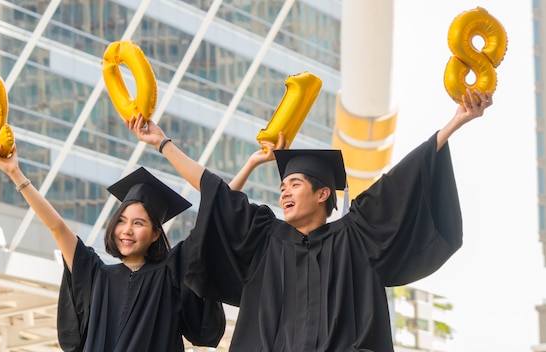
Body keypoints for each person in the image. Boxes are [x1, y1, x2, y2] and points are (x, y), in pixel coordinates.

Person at [126, 88, 494, 351]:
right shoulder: (263, 239)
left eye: (295, 184)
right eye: (282, 186)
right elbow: (214, 190)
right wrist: (162, 143)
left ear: (323, 194)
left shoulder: (358, 237)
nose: (284, 192)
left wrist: (456, 122)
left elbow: (404, 179)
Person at [0, 139, 232, 351]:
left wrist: (162, 143)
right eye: (122, 221)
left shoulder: (170, 276)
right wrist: (14, 173)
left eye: (138, 223)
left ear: (157, 233)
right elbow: (58, 228)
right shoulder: (96, 275)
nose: (127, 230)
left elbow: (212, 218)